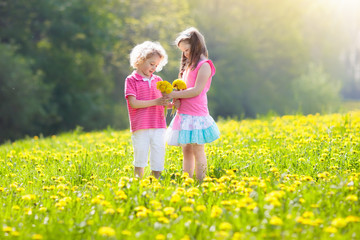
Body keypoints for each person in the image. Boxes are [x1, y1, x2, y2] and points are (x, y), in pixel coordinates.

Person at [166, 27, 220, 182]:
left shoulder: (205, 65)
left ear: (196, 46)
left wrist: (174, 94)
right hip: (184, 113)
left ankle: (201, 182)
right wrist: (175, 100)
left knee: (198, 149)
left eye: (187, 50)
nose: (185, 54)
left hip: (196, 114)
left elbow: (196, 90)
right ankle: (187, 181)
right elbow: (184, 88)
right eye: (182, 51)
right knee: (186, 150)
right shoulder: (189, 65)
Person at [124, 41, 172, 179]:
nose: (154, 68)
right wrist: (156, 102)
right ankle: (138, 183)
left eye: (156, 65)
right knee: (140, 155)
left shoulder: (158, 80)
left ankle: (155, 182)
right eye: (151, 64)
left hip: (158, 125)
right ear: (140, 60)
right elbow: (134, 103)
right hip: (141, 126)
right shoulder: (131, 80)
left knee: (158, 154)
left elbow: (161, 103)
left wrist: (171, 104)